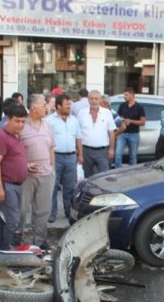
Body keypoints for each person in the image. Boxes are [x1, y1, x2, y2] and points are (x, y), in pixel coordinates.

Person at [19, 94, 55, 249]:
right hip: (26, 176)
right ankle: (17, 241)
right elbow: (15, 151)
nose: (46, 107)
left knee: (43, 211)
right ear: (33, 108)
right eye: (43, 104)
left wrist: (52, 167)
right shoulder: (21, 125)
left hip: (46, 175)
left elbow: (51, 147)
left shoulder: (47, 125)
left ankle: (39, 242)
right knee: (21, 210)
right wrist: (25, 164)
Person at [0, 104, 29, 250]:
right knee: (12, 222)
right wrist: (0, 188)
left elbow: (12, 157)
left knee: (5, 219)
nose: (20, 125)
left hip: (17, 183)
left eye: (23, 121)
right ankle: (11, 252)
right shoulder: (0, 136)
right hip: (6, 184)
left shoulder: (16, 135)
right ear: (8, 119)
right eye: (17, 121)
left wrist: (26, 165)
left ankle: (1, 249)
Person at [46, 94, 83, 223]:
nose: (69, 107)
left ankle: (68, 211)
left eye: (70, 104)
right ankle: (52, 213)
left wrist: (80, 154)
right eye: (66, 105)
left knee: (70, 188)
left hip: (71, 157)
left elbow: (78, 137)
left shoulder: (74, 120)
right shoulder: (49, 120)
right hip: (55, 157)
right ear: (58, 106)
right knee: (53, 186)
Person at [77, 90, 116, 177]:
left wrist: (111, 149)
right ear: (88, 99)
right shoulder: (82, 113)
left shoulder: (107, 113)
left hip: (102, 151)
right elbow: (78, 133)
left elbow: (111, 132)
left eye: (96, 98)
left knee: (104, 177)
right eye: (91, 98)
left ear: (100, 100)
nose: (94, 101)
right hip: (86, 151)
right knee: (88, 177)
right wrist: (79, 152)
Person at [115, 87, 146, 167]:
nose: (124, 96)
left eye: (126, 95)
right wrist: (121, 120)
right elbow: (118, 118)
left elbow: (143, 122)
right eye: (124, 95)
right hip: (122, 134)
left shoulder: (139, 107)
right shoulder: (122, 105)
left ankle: (132, 172)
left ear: (132, 95)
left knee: (133, 155)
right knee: (118, 153)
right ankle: (117, 171)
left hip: (134, 134)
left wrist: (131, 121)